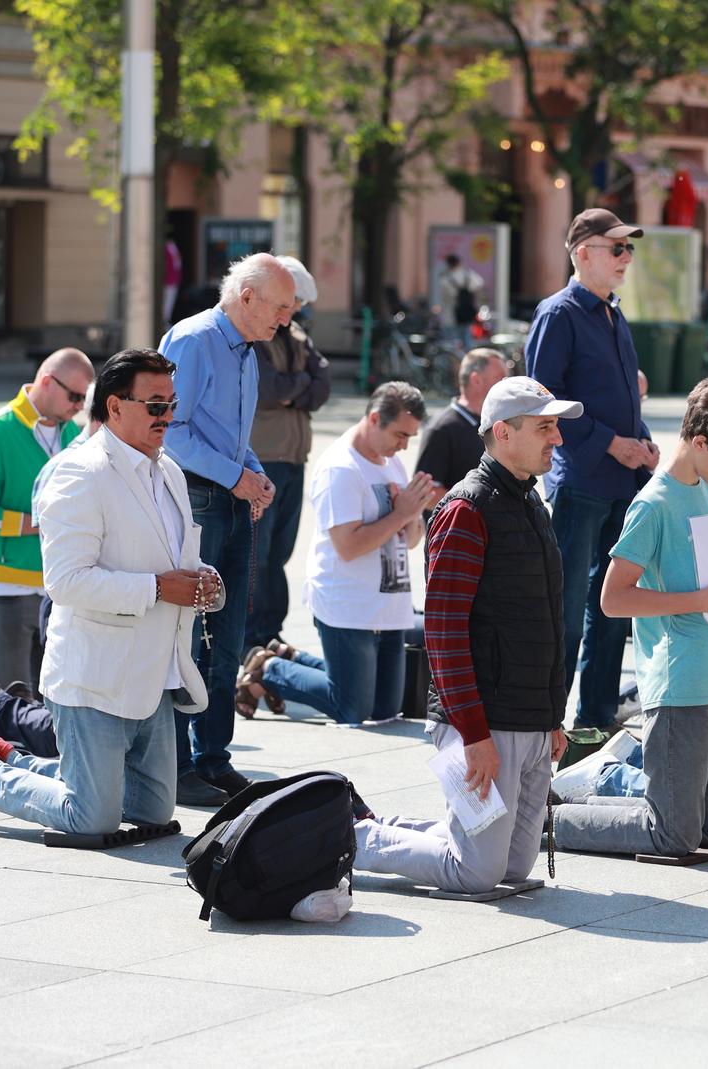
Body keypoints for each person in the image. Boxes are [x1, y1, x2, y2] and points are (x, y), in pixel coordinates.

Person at [0, 349, 223, 836]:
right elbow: (65, 582)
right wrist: (157, 588)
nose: (168, 417)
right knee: (91, 819)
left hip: (155, 675)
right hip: (95, 676)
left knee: (153, 814)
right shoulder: (78, 473)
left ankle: (42, 769)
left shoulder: (168, 470)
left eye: (173, 405)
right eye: (155, 406)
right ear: (114, 407)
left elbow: (174, 563)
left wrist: (204, 580)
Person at [552, 378, 708, 858]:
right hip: (683, 682)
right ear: (699, 442)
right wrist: (700, 600)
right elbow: (613, 599)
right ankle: (546, 818)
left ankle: (628, 786)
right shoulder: (654, 504)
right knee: (672, 835)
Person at [352, 378, 581, 895]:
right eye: (545, 427)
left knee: (513, 869)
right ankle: (353, 838)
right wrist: (473, 735)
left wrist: (552, 718)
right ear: (503, 432)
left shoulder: (530, 503)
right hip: (481, 724)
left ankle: (406, 831)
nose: (558, 439)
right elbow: (444, 632)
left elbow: (544, 623)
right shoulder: (466, 510)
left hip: (529, 720)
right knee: (476, 873)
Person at [160, 252, 291, 805]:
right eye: (280, 307)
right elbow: (169, 430)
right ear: (247, 298)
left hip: (230, 500)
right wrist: (235, 476)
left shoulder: (246, 352)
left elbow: (229, 438)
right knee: (189, 637)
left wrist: (254, 475)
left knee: (228, 635)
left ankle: (214, 758)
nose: (285, 320)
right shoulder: (192, 340)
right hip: (197, 501)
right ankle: (177, 764)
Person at [237, 383, 440, 726]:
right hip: (348, 605)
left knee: (385, 710)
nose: (405, 445)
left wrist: (413, 517)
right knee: (351, 709)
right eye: (400, 434)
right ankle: (270, 668)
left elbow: (409, 540)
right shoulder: (340, 467)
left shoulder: (391, 463)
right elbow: (348, 546)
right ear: (375, 418)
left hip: (389, 605)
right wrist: (402, 514)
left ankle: (286, 657)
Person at [525, 208, 658, 730]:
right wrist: (609, 444)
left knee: (613, 608)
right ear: (582, 253)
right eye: (617, 248)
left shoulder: (611, 312)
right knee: (565, 613)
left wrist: (641, 444)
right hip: (581, 483)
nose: (627, 258)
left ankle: (596, 719)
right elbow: (544, 400)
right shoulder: (559, 313)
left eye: (630, 249)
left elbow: (622, 399)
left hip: (621, 483)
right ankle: (545, 724)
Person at [0, 348, 94, 692]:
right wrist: (29, 523)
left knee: (48, 698)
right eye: (75, 396)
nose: (80, 406)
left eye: (85, 397)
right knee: (10, 697)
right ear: (47, 382)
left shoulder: (72, 433)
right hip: (3, 585)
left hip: (56, 587)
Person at [246, 255, 333, 652]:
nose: (297, 311)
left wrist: (292, 389)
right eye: (294, 301)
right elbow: (269, 392)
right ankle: (250, 637)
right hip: (264, 460)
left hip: (294, 459)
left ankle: (271, 632)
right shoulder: (256, 336)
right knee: (257, 556)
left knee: (279, 554)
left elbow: (322, 387)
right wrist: (299, 387)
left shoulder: (298, 337)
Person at [413, 348, 509, 498]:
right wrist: (473, 510)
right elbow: (425, 492)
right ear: (476, 379)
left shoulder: (493, 422)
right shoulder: (442, 428)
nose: (506, 385)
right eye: (500, 378)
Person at [436, 254, 485, 338]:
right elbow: (480, 284)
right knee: (467, 337)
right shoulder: (468, 274)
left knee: (452, 339)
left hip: (451, 313)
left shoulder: (445, 278)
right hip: (467, 311)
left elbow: (444, 296)